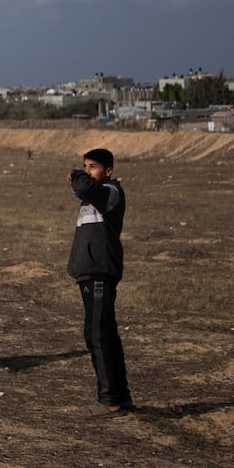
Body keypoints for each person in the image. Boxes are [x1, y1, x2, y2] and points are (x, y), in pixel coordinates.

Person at [68, 148, 134, 417]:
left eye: (93, 167)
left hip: (100, 273)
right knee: (103, 333)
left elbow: (83, 187)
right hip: (90, 272)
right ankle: (120, 395)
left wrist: (74, 175)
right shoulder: (97, 194)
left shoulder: (110, 192)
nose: (87, 172)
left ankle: (110, 400)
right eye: (84, 166)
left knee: (98, 334)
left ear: (108, 171)